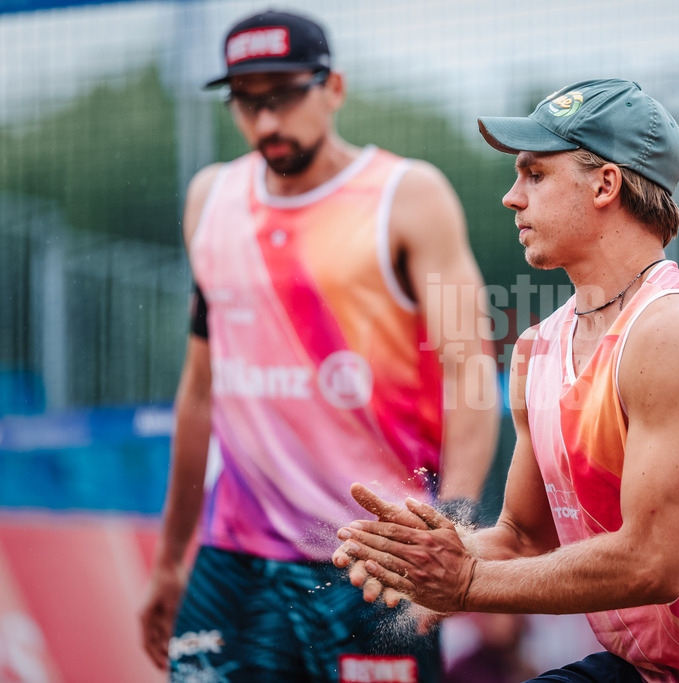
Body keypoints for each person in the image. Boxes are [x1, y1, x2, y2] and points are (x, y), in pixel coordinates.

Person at [333, 78, 679, 681]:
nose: (511, 196)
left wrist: (468, 582)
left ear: (605, 183)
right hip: (653, 668)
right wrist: (424, 554)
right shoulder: (537, 349)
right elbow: (523, 540)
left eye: (534, 174)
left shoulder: (674, 328)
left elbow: (652, 565)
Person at [138, 9, 499, 682]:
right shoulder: (210, 200)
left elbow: (472, 373)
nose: (265, 121)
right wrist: (169, 560)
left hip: (373, 560)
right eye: (246, 101)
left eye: (282, 96)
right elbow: (198, 391)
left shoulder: (408, 196)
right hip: (233, 561)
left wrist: (448, 532)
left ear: (333, 87)